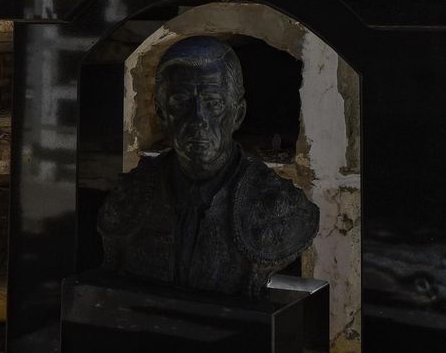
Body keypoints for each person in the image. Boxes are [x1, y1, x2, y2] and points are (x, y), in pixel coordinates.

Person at [98, 36, 319, 298]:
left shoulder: (280, 207)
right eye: (181, 103)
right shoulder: (129, 198)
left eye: (213, 104)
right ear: (162, 114)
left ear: (238, 114)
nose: (198, 119)